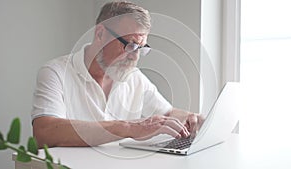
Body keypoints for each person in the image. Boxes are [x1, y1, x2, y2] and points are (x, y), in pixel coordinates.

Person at [32, 1, 203, 148]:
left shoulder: (134, 77)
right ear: (100, 34)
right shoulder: (56, 73)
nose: (135, 56)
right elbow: (44, 132)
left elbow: (167, 114)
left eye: (140, 48)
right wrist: (127, 128)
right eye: (130, 45)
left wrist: (192, 119)